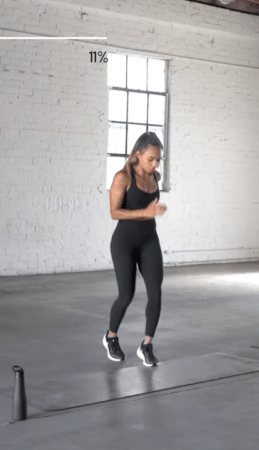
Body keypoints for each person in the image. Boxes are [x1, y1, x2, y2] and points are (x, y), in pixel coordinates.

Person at [103, 132, 167, 366]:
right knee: (126, 295)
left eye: (158, 159)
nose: (155, 164)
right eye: (151, 159)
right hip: (124, 242)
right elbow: (114, 212)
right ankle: (111, 337)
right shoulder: (122, 178)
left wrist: (154, 212)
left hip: (149, 240)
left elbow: (150, 208)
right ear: (138, 154)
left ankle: (146, 345)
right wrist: (146, 213)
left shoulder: (155, 177)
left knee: (156, 292)